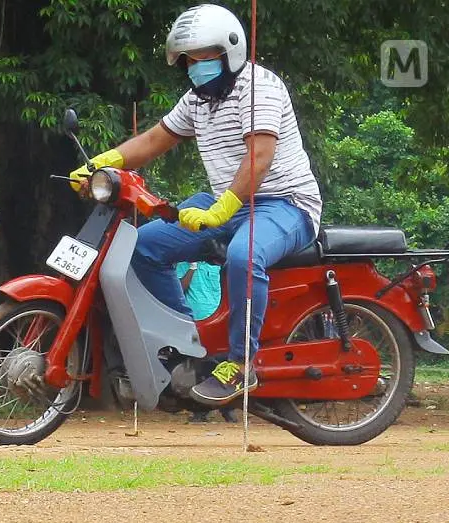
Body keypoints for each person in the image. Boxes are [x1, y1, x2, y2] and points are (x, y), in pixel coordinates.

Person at [70, 4, 322, 408]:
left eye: (206, 57)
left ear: (230, 52)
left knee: (243, 256)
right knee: (143, 247)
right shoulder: (197, 100)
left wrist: (221, 209)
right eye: (190, 60)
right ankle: (189, 344)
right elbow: (153, 140)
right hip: (229, 202)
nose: (196, 67)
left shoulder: (260, 87)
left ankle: (242, 364)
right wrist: (100, 163)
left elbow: (259, 158)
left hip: (285, 204)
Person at [176, 262, 237, 423]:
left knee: (224, 365)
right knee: (200, 366)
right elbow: (180, 288)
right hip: (196, 322)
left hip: (219, 321)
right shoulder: (183, 265)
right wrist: (192, 268)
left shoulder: (216, 267)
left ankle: (228, 409)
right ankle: (200, 411)